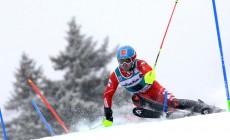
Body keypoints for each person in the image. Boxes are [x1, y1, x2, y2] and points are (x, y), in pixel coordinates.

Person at [102, 45, 222, 127]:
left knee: (174, 101)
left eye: (127, 60)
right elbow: (108, 95)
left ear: (133, 59)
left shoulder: (140, 63)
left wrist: (149, 76)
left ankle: (205, 107)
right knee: (135, 101)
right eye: (121, 61)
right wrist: (108, 114)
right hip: (143, 98)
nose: (124, 64)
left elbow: (149, 72)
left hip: (155, 90)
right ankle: (168, 112)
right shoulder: (116, 75)